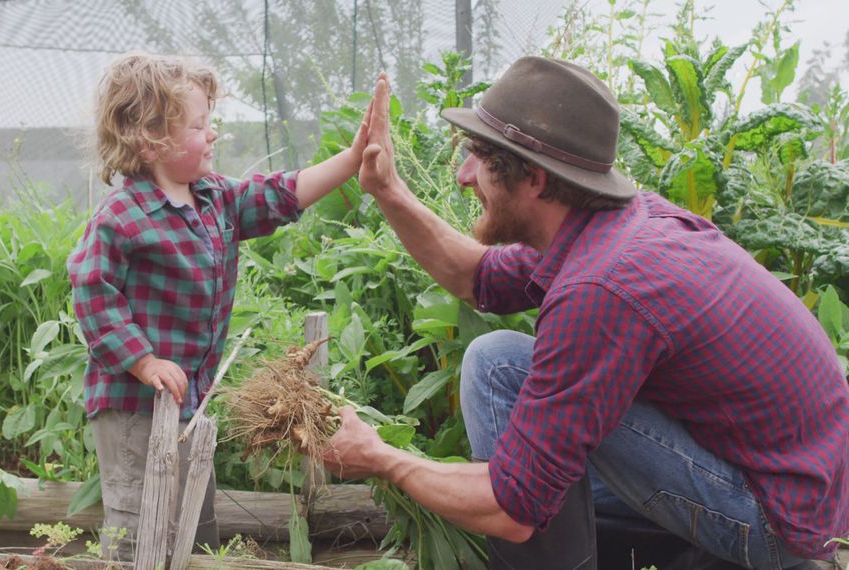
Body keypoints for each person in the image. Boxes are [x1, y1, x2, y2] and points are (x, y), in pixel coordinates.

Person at [323, 57, 849, 570]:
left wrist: (382, 458)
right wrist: (387, 190)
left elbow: (512, 507)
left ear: (533, 179)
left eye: (478, 157)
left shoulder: (602, 286)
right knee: (496, 359)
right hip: (789, 486)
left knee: (512, 445)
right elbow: (475, 277)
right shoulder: (610, 226)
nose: (463, 176)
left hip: (773, 523)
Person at [67, 52, 369, 560]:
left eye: (212, 122)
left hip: (190, 406)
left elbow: (281, 194)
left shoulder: (213, 199)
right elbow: (93, 291)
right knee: (142, 524)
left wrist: (353, 158)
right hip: (135, 408)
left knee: (191, 518)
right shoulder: (122, 216)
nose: (212, 135)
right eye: (199, 125)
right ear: (151, 139)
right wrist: (144, 361)